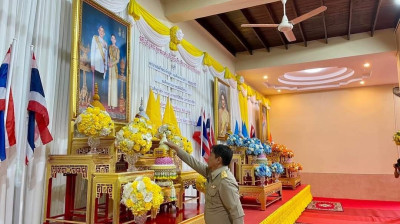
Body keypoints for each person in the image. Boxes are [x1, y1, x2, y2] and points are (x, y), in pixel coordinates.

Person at [165, 142, 244, 224]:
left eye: (211, 155)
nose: (208, 158)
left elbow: (237, 213)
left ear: (218, 160)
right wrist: (177, 148)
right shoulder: (212, 172)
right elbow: (194, 163)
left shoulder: (226, 181)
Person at [90, 25, 108, 103]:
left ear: (104, 33)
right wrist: (92, 63)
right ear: (98, 31)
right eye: (100, 30)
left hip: (102, 67)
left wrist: (105, 67)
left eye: (102, 31)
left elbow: (106, 56)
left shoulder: (105, 43)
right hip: (96, 64)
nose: (101, 32)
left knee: (100, 84)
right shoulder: (95, 38)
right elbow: (92, 51)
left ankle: (98, 101)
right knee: (95, 83)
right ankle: (93, 100)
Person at [108, 34, 119, 109]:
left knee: (114, 85)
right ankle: (109, 104)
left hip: (114, 67)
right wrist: (109, 63)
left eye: (114, 38)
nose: (113, 39)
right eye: (112, 38)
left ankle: (114, 104)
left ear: (115, 40)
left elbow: (118, 60)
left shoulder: (117, 49)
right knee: (110, 84)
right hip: (110, 67)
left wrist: (112, 63)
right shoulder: (109, 47)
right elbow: (108, 57)